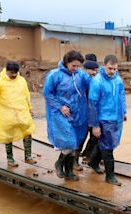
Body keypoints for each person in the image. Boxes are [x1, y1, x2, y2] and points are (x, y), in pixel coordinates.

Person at [43, 50, 90, 181]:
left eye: (78, 66)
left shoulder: (80, 74)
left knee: (75, 145)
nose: (75, 68)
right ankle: (59, 163)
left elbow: (93, 84)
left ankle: (69, 172)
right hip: (62, 113)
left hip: (79, 113)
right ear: (66, 62)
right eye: (73, 66)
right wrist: (60, 106)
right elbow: (47, 94)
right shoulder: (55, 75)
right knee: (69, 142)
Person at [0, 61, 36, 166]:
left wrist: (30, 108)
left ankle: (28, 156)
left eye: (16, 72)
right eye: (11, 73)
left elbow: (26, 95)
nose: (14, 75)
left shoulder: (21, 80)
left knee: (27, 132)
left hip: (22, 111)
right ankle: (10, 159)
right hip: (7, 113)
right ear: (6, 70)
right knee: (8, 136)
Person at [88, 55, 126, 186]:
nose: (112, 71)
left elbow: (122, 97)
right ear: (103, 66)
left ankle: (93, 162)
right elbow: (92, 104)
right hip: (103, 118)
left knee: (106, 143)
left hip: (115, 117)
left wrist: (123, 112)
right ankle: (110, 176)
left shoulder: (118, 80)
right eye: (110, 68)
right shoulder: (97, 81)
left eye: (115, 69)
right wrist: (95, 125)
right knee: (108, 147)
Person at [81, 54, 100, 165]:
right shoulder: (82, 80)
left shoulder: (95, 80)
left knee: (94, 137)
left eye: (95, 70)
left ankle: (88, 156)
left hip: (93, 114)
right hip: (84, 114)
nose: (94, 72)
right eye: (91, 70)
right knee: (82, 137)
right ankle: (80, 157)